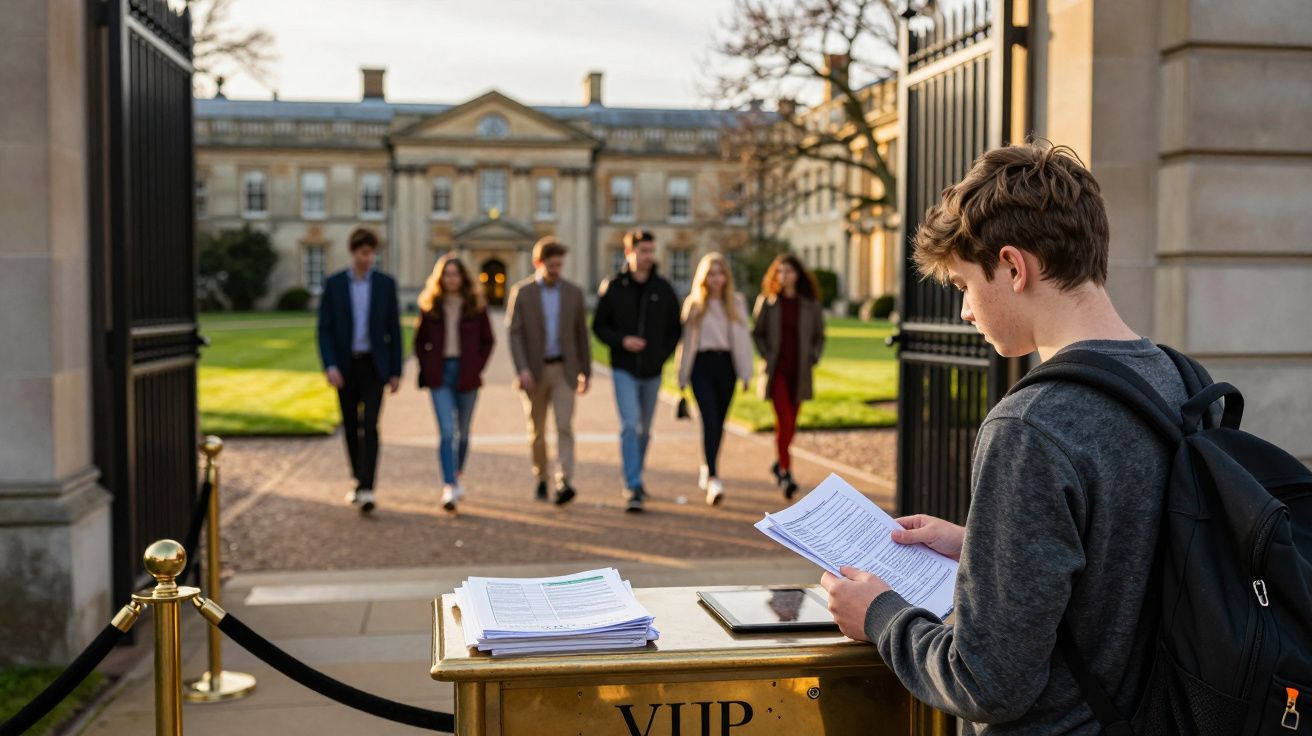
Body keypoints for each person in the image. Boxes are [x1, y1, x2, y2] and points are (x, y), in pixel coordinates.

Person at [821, 142, 1186, 733]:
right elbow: (1127, 559)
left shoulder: (1030, 426)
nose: (965, 312)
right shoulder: (1177, 379)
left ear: (1014, 268)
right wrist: (982, 546)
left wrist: (880, 615)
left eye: (964, 285)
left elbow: (986, 681)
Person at [592, 229, 681, 513]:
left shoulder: (663, 288)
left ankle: (636, 476)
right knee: (630, 425)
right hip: (624, 369)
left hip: (652, 371)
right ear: (629, 252)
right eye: (643, 251)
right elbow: (599, 326)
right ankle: (632, 485)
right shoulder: (613, 286)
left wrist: (660, 356)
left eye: (651, 251)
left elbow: (674, 330)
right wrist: (622, 341)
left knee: (645, 430)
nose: (648, 256)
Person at [316, 227, 402, 514]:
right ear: (353, 252)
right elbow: (324, 329)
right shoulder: (335, 284)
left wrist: (396, 371)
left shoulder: (385, 284)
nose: (369, 258)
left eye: (372, 253)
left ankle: (367, 487)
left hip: (374, 366)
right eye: (364, 253)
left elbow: (394, 330)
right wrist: (330, 365)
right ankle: (357, 477)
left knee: (371, 425)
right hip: (346, 366)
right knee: (351, 426)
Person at [506, 237, 592, 506]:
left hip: (564, 370)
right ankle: (541, 476)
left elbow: (581, 334)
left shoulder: (574, 293)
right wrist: (522, 370)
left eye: (559, 265)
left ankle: (564, 480)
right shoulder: (522, 293)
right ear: (538, 263)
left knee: (564, 426)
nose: (556, 270)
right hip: (534, 371)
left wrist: (586, 371)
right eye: (551, 265)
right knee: (537, 431)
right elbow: (514, 334)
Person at [414, 254, 494, 512]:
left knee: (464, 433)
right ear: (440, 278)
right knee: (447, 432)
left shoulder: (475, 306)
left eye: (455, 274)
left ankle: (457, 473)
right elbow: (419, 342)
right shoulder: (431, 306)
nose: (451, 279)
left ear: (463, 277)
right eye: (447, 274)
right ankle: (449, 484)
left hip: (467, 373)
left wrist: (476, 366)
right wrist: (428, 367)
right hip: (440, 375)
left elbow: (488, 341)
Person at [675, 252, 753, 505]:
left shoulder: (736, 303)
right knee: (709, 419)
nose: (716, 279)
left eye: (720, 274)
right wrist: (681, 375)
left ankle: (707, 465)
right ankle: (713, 477)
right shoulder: (694, 305)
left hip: (726, 366)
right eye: (711, 274)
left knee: (719, 422)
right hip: (701, 366)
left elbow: (743, 340)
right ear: (703, 277)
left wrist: (746, 373)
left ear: (726, 277)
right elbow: (685, 344)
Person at [751, 254, 825, 499]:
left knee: (791, 424)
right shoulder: (768, 302)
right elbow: (757, 333)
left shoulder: (810, 304)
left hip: (800, 371)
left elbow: (819, 336)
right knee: (784, 420)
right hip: (777, 372)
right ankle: (786, 472)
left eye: (789, 271)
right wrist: (767, 355)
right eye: (780, 271)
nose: (784, 276)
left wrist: (813, 357)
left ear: (798, 274)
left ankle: (778, 462)